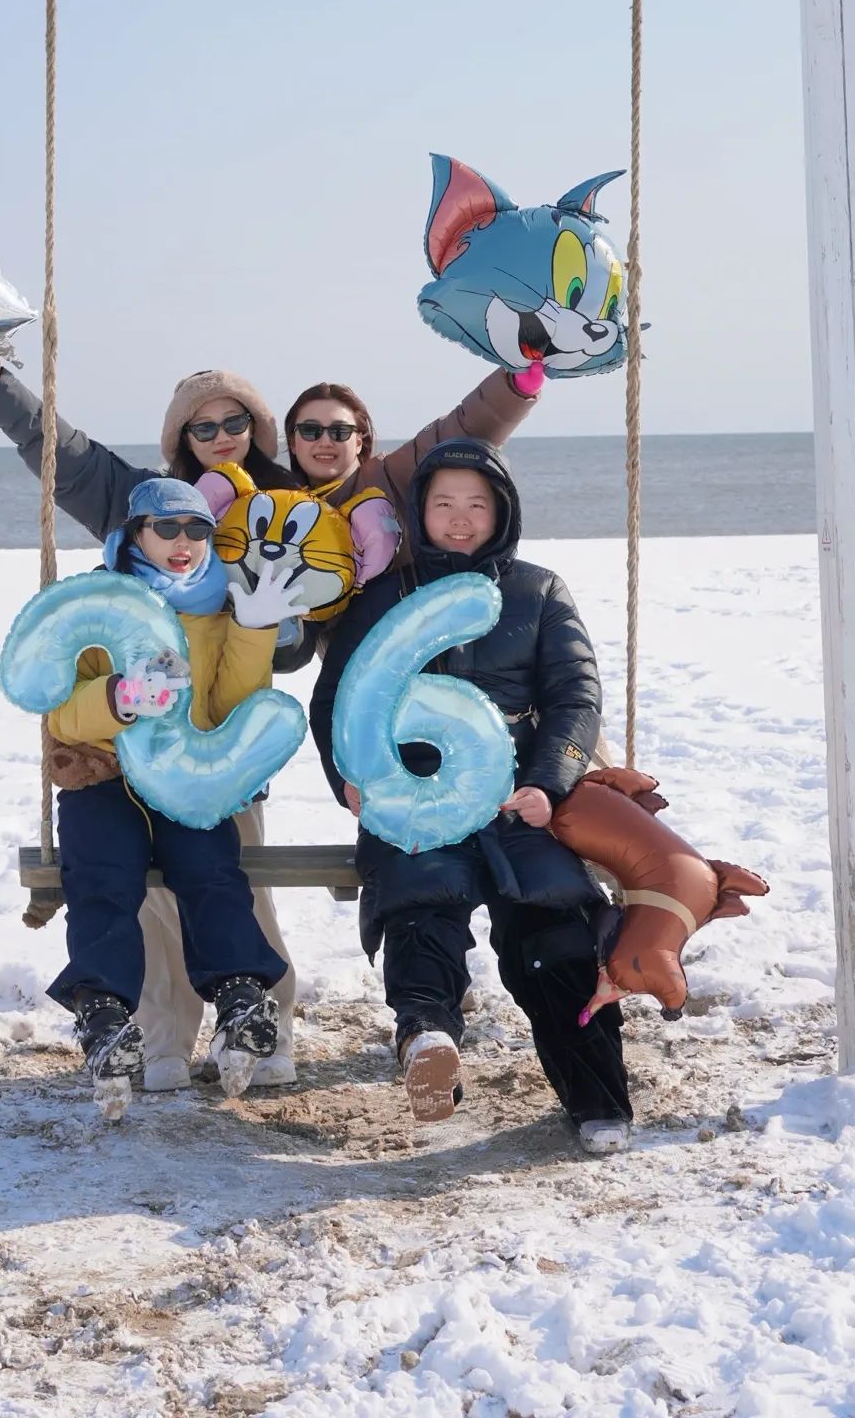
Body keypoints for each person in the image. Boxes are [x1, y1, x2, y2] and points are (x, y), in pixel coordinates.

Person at [0, 343, 304, 1091]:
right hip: (110, 769)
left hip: (209, 766)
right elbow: (70, 458)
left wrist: (257, 628)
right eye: (202, 425)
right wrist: (0, 391)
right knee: (128, 892)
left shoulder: (283, 505)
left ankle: (256, 1020)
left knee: (224, 882)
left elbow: (237, 690)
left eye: (235, 421)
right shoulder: (113, 580)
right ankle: (151, 1037)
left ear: (258, 427)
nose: (221, 435)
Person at [309, 437, 633, 1157]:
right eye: (444, 503)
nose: (460, 519)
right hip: (413, 793)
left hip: (518, 796)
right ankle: (428, 1042)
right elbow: (334, 701)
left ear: (502, 512)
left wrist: (548, 783)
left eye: (477, 505)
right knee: (421, 912)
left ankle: (597, 1098)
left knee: (553, 933)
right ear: (419, 511)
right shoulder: (386, 596)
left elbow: (576, 698)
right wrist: (352, 779)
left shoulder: (538, 591)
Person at [45, 474, 306, 1107]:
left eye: (197, 529)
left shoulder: (215, 609)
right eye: (166, 528)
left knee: (210, 871)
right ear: (136, 534)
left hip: (184, 776)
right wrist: (120, 697)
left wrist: (252, 632)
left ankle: (241, 995)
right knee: (101, 879)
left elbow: (229, 707)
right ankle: (105, 1011)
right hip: (105, 775)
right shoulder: (98, 608)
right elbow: (61, 717)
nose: (183, 541)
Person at [283, 371, 540, 555]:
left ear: (359, 441)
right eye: (310, 431)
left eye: (339, 431)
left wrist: (515, 386)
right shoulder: (272, 507)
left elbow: (459, 430)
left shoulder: (388, 478)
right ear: (293, 442)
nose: (325, 441)